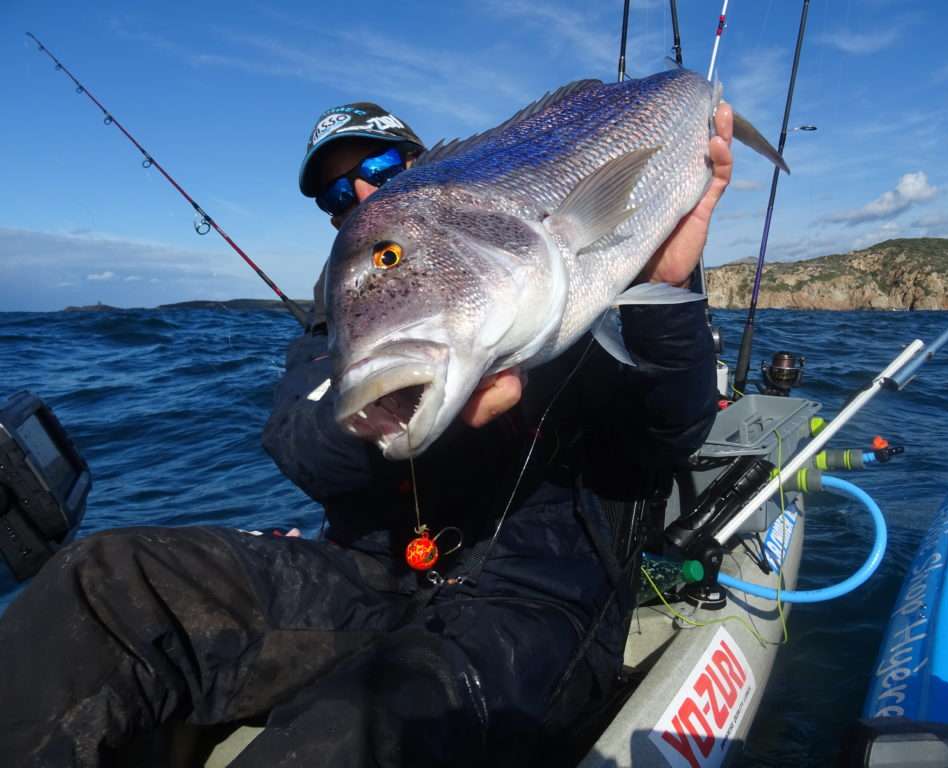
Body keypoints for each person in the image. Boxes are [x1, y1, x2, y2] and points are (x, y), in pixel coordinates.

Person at [0, 96, 734, 767]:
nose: (357, 192)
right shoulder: (346, 318)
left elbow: (667, 435)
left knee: (361, 728)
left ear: (426, 166)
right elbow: (295, 441)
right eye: (334, 194)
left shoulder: (556, 287)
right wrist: (375, 421)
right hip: (369, 578)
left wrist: (666, 290)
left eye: (377, 166)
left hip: (533, 598)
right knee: (103, 581)